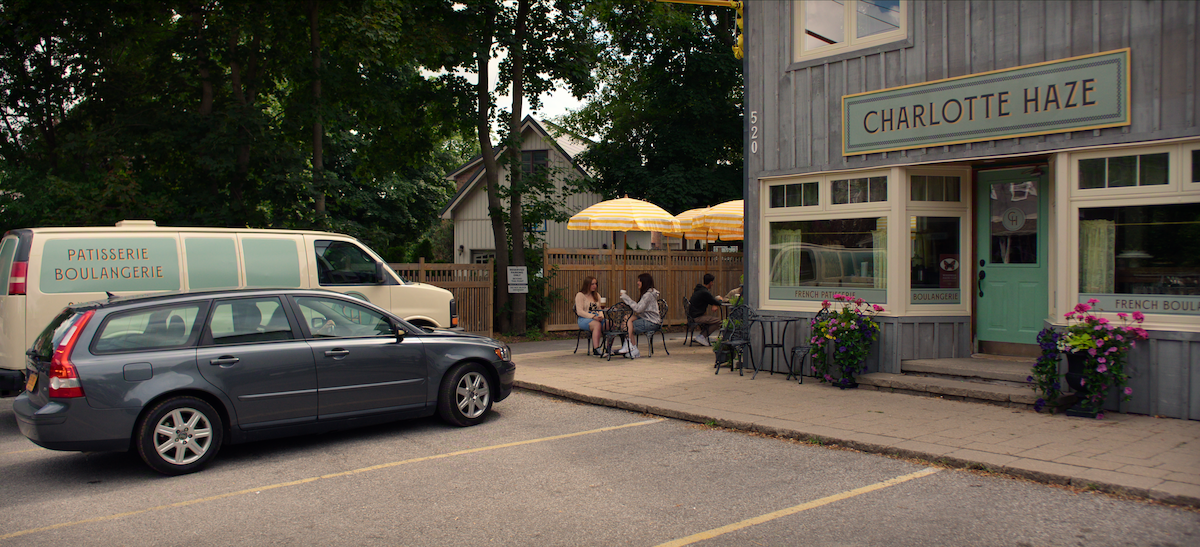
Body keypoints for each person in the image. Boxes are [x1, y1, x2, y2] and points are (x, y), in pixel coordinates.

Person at [615, 272, 661, 359]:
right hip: (646, 317)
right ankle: (632, 347)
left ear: (645, 282)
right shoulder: (648, 293)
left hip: (652, 322)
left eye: (639, 281)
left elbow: (638, 309)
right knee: (627, 318)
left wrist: (626, 298)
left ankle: (630, 345)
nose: (637, 282)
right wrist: (627, 304)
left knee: (629, 324)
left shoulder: (648, 295)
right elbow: (640, 308)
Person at [687, 273, 725, 346]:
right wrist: (720, 300)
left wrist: (714, 303)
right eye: (712, 282)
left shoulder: (699, 290)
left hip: (692, 315)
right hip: (697, 317)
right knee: (717, 321)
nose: (713, 284)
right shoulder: (705, 292)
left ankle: (703, 336)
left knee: (710, 319)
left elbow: (712, 300)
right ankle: (702, 336)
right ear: (710, 282)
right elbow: (716, 302)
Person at [575, 276, 605, 356]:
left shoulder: (597, 295)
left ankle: (608, 348)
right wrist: (593, 317)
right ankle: (596, 349)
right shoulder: (580, 295)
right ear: (587, 285)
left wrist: (601, 316)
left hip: (597, 317)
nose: (594, 286)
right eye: (592, 284)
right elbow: (580, 312)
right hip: (584, 319)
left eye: (595, 284)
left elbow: (600, 308)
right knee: (597, 325)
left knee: (610, 324)